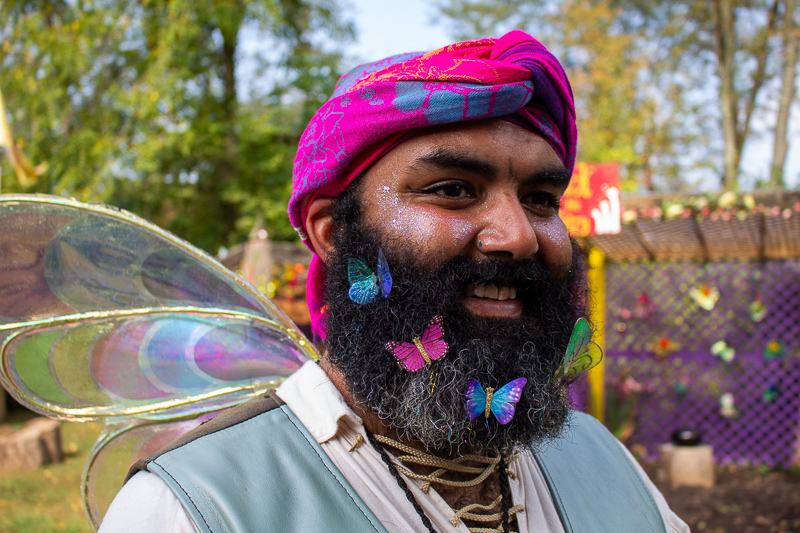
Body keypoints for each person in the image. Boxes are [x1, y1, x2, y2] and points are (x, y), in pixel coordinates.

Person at [100, 30, 689, 533]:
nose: (519, 235)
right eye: (453, 189)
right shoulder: (192, 508)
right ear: (333, 234)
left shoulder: (606, 462)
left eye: (540, 199)